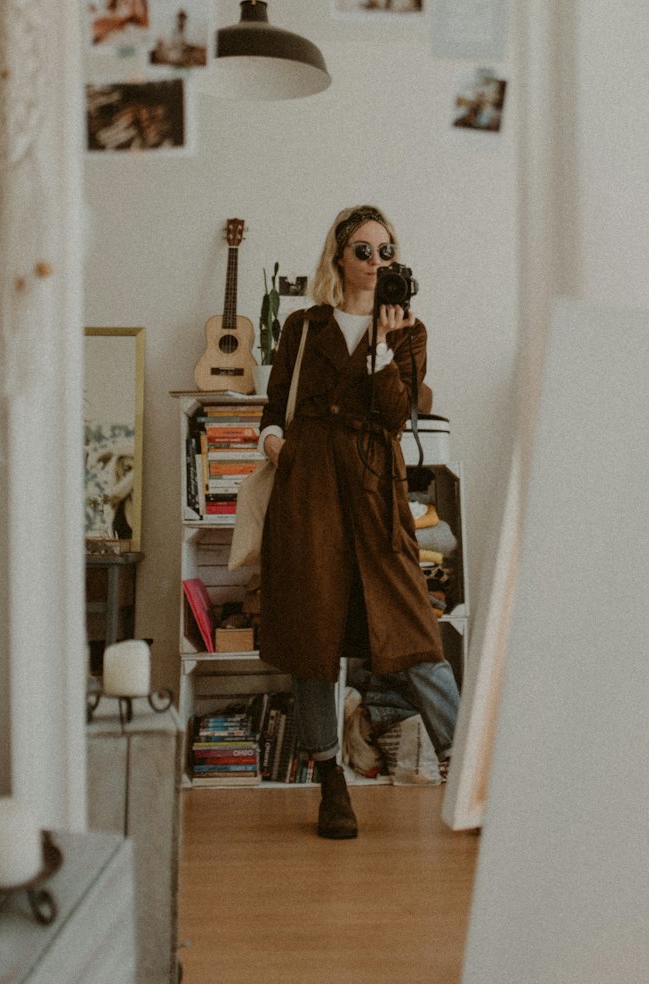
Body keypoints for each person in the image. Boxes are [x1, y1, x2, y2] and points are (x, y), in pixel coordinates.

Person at [258, 205, 460, 839]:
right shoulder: (302, 324)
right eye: (366, 251)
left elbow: (397, 416)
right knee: (314, 637)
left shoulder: (409, 331)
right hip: (311, 485)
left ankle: (469, 768)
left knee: (415, 634)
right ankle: (330, 782)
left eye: (387, 251)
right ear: (339, 257)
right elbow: (274, 406)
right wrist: (274, 443)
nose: (378, 262)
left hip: (375, 487)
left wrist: (381, 347)